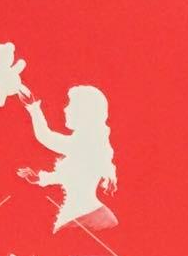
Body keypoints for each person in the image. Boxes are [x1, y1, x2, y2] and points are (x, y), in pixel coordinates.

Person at [17, 86, 118, 233]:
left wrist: (33, 107)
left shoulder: (84, 144)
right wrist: (40, 178)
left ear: (85, 113)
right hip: (85, 215)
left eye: (71, 105)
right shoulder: (89, 144)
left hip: (86, 218)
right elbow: (73, 176)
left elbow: (45, 137)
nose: (65, 109)